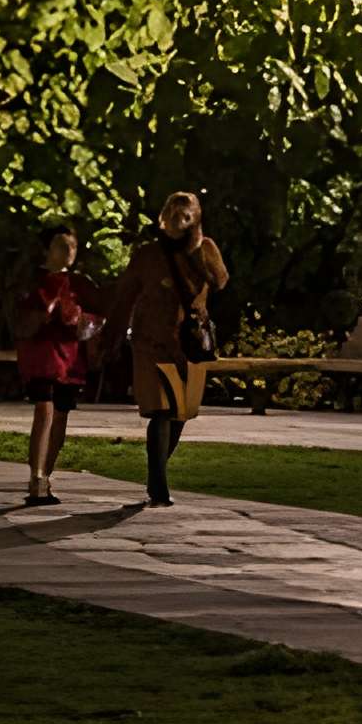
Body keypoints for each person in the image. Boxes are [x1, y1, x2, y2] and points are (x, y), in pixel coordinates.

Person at [117, 191, 228, 506]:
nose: (179, 218)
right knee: (161, 410)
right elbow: (125, 294)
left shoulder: (204, 248)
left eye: (186, 214)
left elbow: (220, 281)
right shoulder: (148, 254)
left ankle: (157, 473)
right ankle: (158, 485)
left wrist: (197, 252)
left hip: (189, 344)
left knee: (180, 414)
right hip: (152, 342)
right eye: (174, 212)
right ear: (164, 216)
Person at [10, 222, 103, 506]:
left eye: (72, 246)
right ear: (47, 250)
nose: (69, 252)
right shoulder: (33, 282)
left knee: (60, 416)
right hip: (42, 357)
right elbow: (20, 317)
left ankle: (45, 476)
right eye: (62, 246)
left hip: (71, 359)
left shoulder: (80, 284)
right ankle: (36, 478)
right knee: (45, 410)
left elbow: (96, 316)